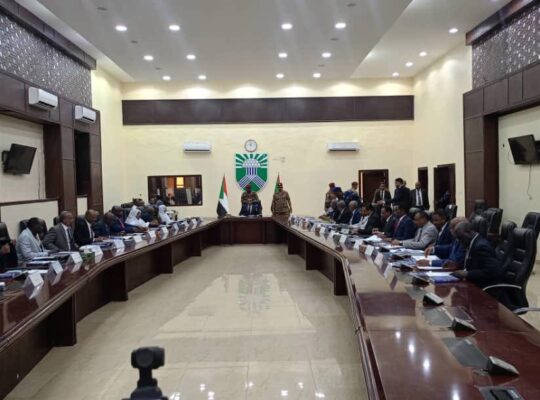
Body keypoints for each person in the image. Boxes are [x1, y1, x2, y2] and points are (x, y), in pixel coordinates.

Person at [450, 221, 503, 288]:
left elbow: (492, 271)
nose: (460, 242)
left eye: (461, 237)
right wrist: (456, 264)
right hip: (471, 283)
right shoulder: (472, 243)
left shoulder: (481, 246)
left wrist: (467, 274)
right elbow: (472, 264)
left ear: (468, 232)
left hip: (483, 287)